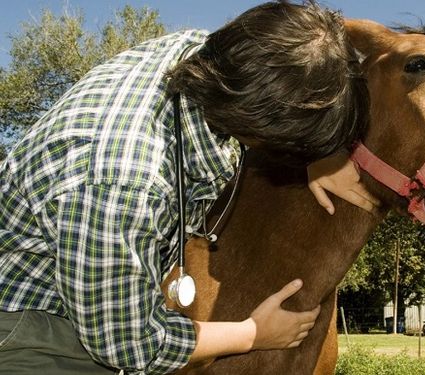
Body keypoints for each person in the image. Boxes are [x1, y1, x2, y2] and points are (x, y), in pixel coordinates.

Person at [0, 1, 379, 374]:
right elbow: (128, 347)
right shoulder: (124, 187)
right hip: (26, 327)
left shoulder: (206, 55)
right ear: (260, 130)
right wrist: (251, 333)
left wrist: (314, 157)